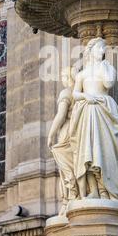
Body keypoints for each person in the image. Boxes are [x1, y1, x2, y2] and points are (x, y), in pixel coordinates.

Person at [70, 38, 118, 200]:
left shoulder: (106, 68)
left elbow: (108, 84)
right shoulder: (82, 74)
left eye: (103, 49)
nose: (102, 52)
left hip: (104, 109)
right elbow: (75, 93)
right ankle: (94, 190)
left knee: (104, 150)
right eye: (100, 48)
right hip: (87, 111)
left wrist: (105, 67)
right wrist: (85, 96)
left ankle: (105, 191)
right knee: (87, 152)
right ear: (90, 51)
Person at [48, 67, 78, 216]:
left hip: (66, 131)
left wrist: (51, 134)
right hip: (78, 130)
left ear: (68, 77)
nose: (61, 78)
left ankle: (69, 198)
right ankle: (76, 194)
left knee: (65, 167)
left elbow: (60, 116)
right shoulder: (80, 92)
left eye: (62, 75)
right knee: (75, 163)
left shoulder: (66, 93)